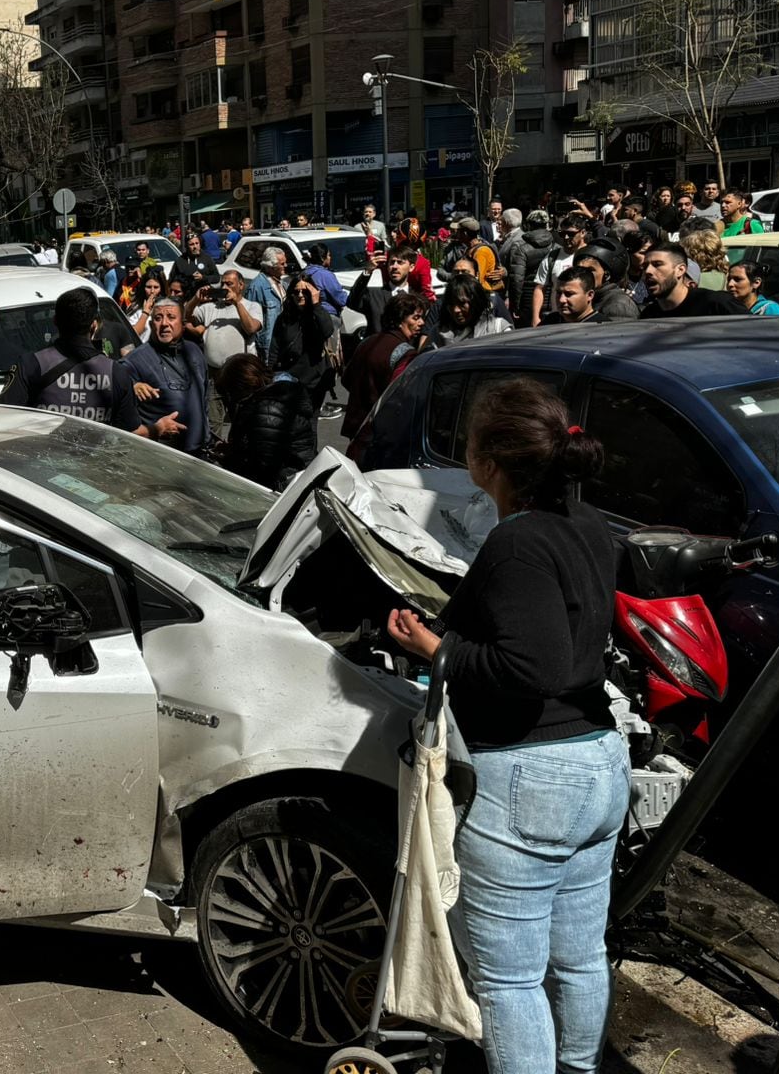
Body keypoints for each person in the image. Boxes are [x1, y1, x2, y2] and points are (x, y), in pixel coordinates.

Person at [386, 377, 626, 1074]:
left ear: (489, 460)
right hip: (596, 764)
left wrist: (438, 650)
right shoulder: (588, 525)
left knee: (511, 981)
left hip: (531, 779)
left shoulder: (518, 543)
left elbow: (535, 666)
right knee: (579, 959)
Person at [0, 288, 157, 434]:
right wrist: (157, 429)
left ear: (55, 322)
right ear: (94, 325)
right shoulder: (116, 373)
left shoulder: (31, 364)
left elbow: (1, 417)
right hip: (96, 463)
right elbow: (127, 434)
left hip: (40, 461)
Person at [216, 352, 316, 489]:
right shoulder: (271, 399)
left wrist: (231, 459)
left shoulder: (267, 409)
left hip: (281, 486)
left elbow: (263, 467)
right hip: (290, 478)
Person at [120, 298, 207, 452]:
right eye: (158, 318)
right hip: (160, 456)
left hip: (198, 455)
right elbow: (115, 399)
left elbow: (203, 397)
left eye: (171, 317)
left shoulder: (194, 352)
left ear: (183, 322)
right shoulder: (135, 361)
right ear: (151, 324)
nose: (164, 323)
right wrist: (132, 386)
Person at [186, 270, 263, 433]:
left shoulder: (252, 306)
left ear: (241, 286)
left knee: (242, 420)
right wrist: (195, 299)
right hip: (215, 374)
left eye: (230, 284)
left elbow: (251, 328)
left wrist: (237, 303)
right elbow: (186, 316)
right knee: (213, 422)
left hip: (240, 375)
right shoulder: (209, 308)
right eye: (223, 283)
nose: (225, 287)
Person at [341, 293, 425, 439]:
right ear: (400, 320)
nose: (422, 323)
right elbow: (404, 398)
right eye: (416, 318)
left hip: (357, 428)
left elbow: (346, 380)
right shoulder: (405, 353)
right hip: (381, 431)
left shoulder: (366, 342)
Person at [267, 276, 338, 415]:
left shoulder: (318, 314)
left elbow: (327, 331)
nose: (300, 295)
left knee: (310, 424)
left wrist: (316, 304)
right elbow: (275, 346)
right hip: (289, 378)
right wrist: (270, 373)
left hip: (313, 380)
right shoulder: (285, 317)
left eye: (305, 291)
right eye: (296, 292)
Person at [638, 242, 746, 319]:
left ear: (680, 270)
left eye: (657, 265)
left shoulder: (717, 304)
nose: (648, 271)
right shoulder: (648, 316)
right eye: (645, 266)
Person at [349, 248, 418, 336]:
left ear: (411, 267)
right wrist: (368, 271)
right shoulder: (374, 295)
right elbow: (353, 302)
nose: (395, 266)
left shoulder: (417, 299)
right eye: (392, 262)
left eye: (400, 262)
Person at [434, 273, 513, 345]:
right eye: (451, 304)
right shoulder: (439, 333)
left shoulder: (498, 329)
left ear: (476, 301)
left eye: (462, 304)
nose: (456, 310)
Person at [572, 239, 639, 321]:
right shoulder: (586, 299)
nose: (582, 275)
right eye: (579, 270)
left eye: (589, 270)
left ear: (606, 275)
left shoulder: (618, 305)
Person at [240, 256, 284, 355]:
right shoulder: (256, 287)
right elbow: (249, 317)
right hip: (266, 346)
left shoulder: (281, 283)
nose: (286, 266)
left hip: (280, 341)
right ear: (270, 267)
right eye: (282, 264)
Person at [298, 242, 349, 319]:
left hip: (309, 316)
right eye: (328, 255)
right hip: (327, 316)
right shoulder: (325, 275)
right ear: (322, 258)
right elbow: (341, 299)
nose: (330, 258)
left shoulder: (304, 273)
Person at [126, 273, 166, 343]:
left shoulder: (168, 306)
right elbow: (131, 335)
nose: (152, 291)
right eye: (149, 287)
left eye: (156, 287)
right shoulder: (135, 308)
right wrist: (145, 313)